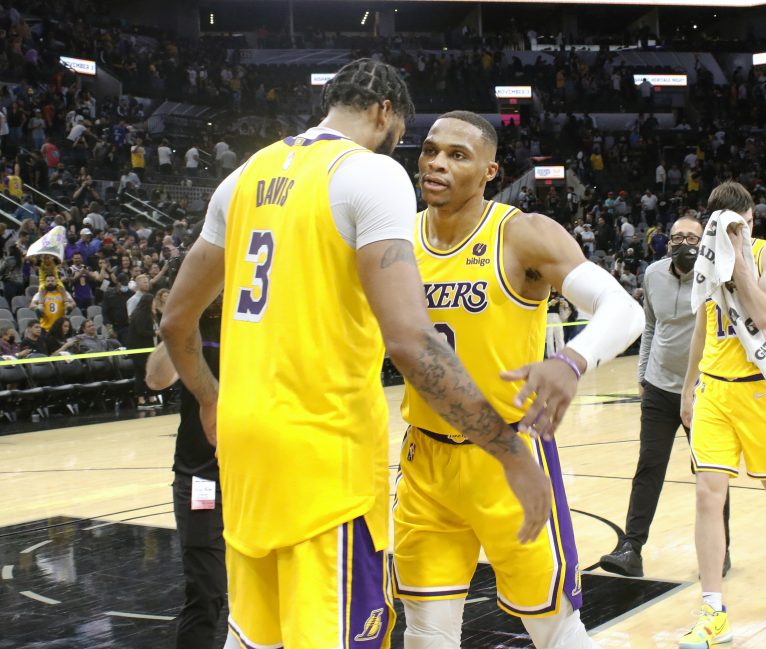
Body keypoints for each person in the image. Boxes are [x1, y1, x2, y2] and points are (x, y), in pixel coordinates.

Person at [159, 60, 552, 649]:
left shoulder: (242, 177)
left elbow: (175, 319)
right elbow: (412, 343)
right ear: (384, 113)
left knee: (255, 636)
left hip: (245, 451)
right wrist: (511, 453)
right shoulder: (369, 174)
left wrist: (210, 400)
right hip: (325, 456)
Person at [392, 111, 644, 649]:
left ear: (490, 170)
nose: (437, 162)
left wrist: (571, 361)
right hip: (424, 460)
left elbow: (623, 310)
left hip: (506, 455)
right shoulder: (395, 240)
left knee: (552, 627)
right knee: (424, 633)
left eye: (457, 155)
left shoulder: (522, 233)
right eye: (431, 150)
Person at [679, 181, 766, 648]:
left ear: (751, 223)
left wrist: (737, 258)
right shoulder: (705, 259)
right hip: (715, 390)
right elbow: (702, 327)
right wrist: (688, 386)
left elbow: (763, 314)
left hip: (762, 390)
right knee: (707, 495)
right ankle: (712, 609)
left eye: (742, 226)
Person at [599, 215, 733, 579]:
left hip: (704, 389)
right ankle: (631, 547)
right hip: (658, 387)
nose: (683, 243)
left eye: (691, 237)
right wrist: (642, 374)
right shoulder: (653, 274)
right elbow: (652, 327)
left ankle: (720, 548)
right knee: (649, 466)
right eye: (676, 237)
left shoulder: (716, 277)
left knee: (710, 474)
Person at [146, 297, 225, 649]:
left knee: (267, 589)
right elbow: (156, 379)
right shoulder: (190, 329)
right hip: (201, 479)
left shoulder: (255, 325)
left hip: (256, 475)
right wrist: (180, 318)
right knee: (206, 591)